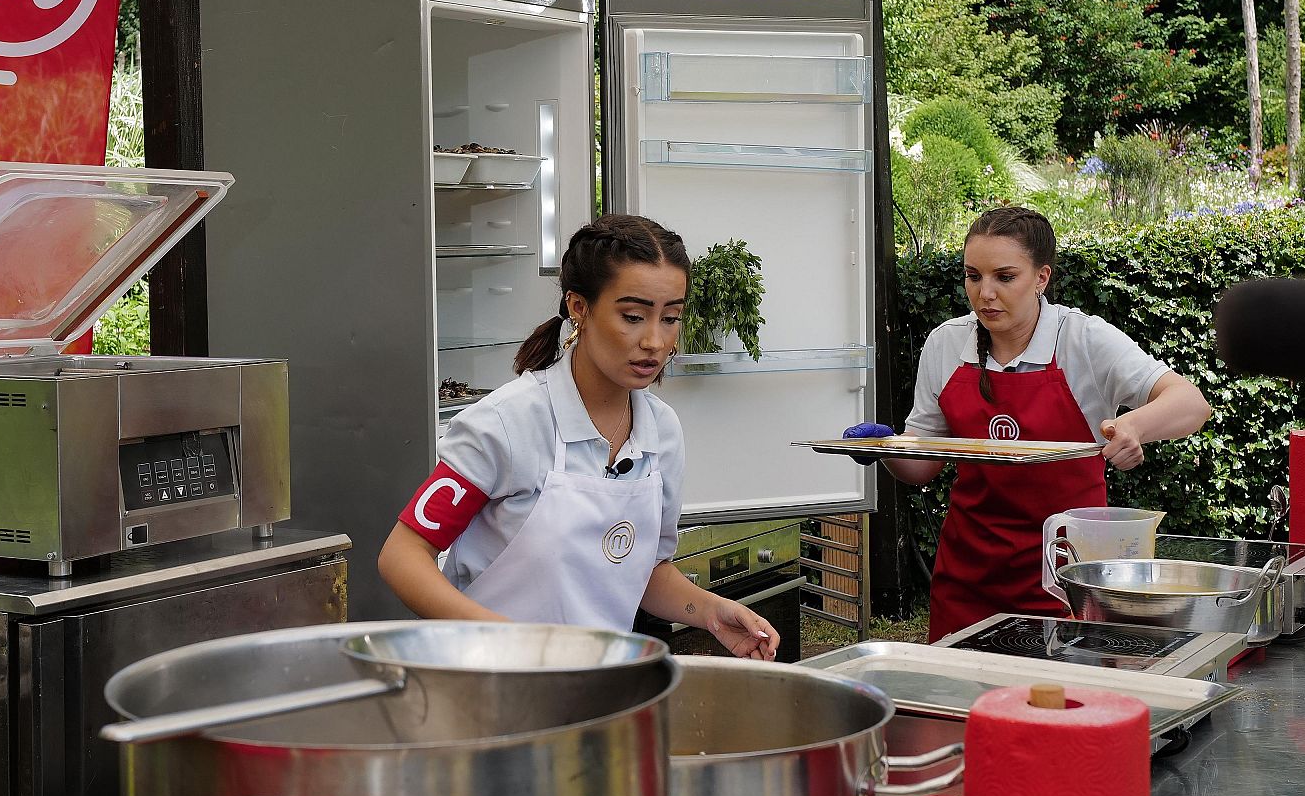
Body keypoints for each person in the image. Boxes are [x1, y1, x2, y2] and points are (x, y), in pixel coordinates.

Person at [378, 214, 779, 660]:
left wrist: (709, 611)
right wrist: (508, 641)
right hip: (483, 683)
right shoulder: (507, 424)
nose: (654, 340)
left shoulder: (662, 433)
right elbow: (403, 555)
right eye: (633, 316)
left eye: (670, 318)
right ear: (579, 308)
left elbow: (642, 569)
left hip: (595, 685)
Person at [851, 207, 1211, 641]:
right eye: (973, 276)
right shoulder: (946, 343)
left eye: (1004, 277)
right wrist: (887, 448)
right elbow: (923, 465)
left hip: (1066, 574)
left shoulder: (1082, 339)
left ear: (1041, 278)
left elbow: (1191, 403)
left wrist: (1134, 426)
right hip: (968, 575)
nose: (985, 293)